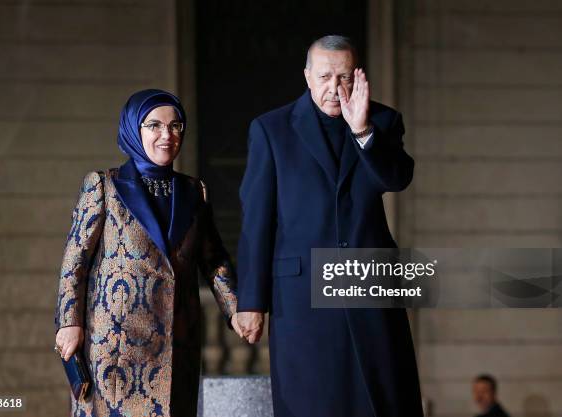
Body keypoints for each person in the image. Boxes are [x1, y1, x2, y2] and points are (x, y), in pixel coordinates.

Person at [236, 35, 424, 417]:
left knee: (383, 398)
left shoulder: (383, 122)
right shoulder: (271, 130)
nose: (334, 89)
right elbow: (257, 221)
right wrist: (251, 301)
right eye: (324, 77)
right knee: (312, 401)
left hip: (369, 288)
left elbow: (397, 178)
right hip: (301, 297)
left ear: (357, 77)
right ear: (307, 77)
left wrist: (362, 132)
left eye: (344, 79)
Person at [54, 89, 242, 417]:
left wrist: (237, 309)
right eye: (154, 125)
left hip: (175, 346)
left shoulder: (194, 191)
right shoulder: (103, 185)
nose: (166, 136)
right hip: (115, 349)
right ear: (133, 129)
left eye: (175, 126)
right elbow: (75, 262)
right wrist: (69, 322)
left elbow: (214, 259)